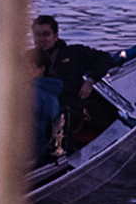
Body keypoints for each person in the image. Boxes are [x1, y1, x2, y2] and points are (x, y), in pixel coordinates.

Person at [31, 15, 112, 153]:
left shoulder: (74, 53)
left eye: (46, 34)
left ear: (56, 36)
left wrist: (90, 81)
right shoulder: (28, 58)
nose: (41, 39)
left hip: (69, 111)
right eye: (37, 35)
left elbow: (105, 58)